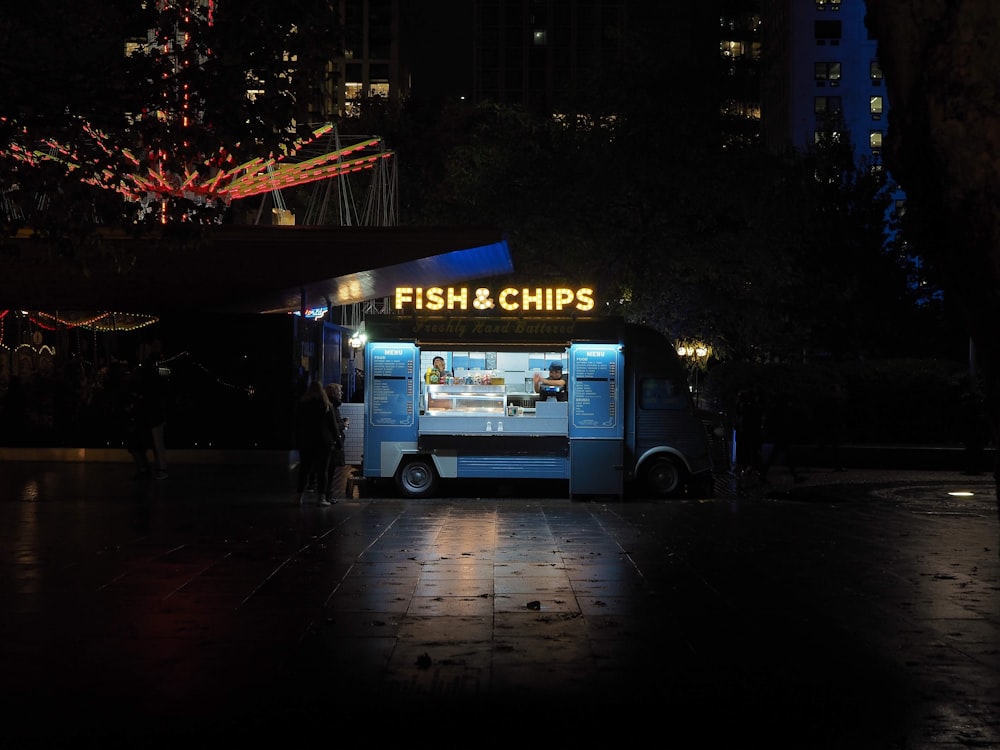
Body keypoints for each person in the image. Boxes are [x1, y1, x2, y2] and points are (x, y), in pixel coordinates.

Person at [294, 380, 337, 506]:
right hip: (323, 442)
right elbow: (333, 426)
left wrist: (298, 441)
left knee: (304, 470)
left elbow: (297, 425)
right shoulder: (326, 405)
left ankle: (298, 496)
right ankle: (321, 498)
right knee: (322, 471)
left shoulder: (302, 404)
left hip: (306, 442)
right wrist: (338, 442)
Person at [132, 358, 170, 479]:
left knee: (158, 445)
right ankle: (160, 468)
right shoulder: (156, 386)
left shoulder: (150, 389)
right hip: (156, 418)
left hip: (155, 418)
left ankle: (162, 469)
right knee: (158, 445)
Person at [324, 382, 352, 503]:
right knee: (329, 471)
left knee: (329, 471)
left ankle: (326, 494)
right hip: (332, 444)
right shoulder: (331, 407)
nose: (342, 394)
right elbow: (333, 426)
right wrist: (343, 424)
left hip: (331, 443)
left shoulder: (331, 406)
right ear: (334, 393)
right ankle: (326, 495)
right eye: (340, 391)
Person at [734, 387, 763, 476]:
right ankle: (751, 467)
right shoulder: (752, 405)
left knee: (746, 449)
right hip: (750, 431)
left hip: (746, 430)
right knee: (751, 450)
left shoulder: (745, 406)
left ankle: (746, 466)